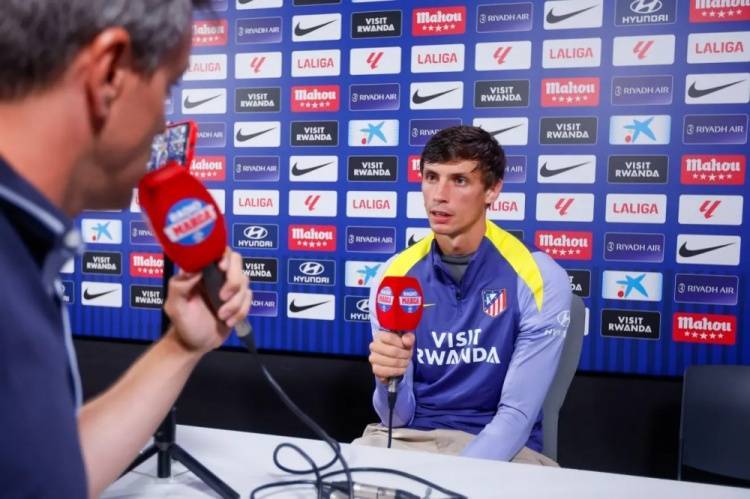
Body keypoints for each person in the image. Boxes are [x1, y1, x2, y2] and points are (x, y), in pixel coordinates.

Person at [0, 1, 252, 497]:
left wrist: (181, 348)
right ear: (110, 73)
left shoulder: (21, 245)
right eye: (168, 88)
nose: (163, 126)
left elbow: (42, 470)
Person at [355, 126, 571, 465]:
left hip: (504, 450)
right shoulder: (393, 276)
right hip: (411, 440)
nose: (439, 195)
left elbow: (516, 417)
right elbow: (395, 417)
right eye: (431, 177)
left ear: (492, 190)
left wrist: (451, 478)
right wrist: (386, 381)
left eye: (459, 180)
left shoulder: (539, 277)